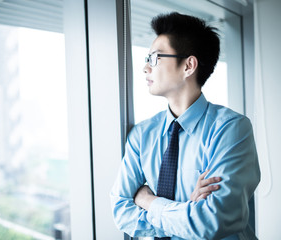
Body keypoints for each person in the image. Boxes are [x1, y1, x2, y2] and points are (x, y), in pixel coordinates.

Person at [110, 12, 260, 239]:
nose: (145, 68)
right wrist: (188, 210)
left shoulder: (231, 129)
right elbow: (121, 211)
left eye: (155, 58)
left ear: (188, 65)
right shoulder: (141, 135)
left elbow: (213, 222)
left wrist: (148, 201)